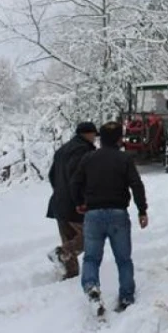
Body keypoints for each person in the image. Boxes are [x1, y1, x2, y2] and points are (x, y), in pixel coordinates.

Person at [71, 121, 148, 312]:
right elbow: (136, 185)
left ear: (101, 139)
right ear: (119, 139)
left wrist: (79, 203)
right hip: (118, 215)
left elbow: (75, 183)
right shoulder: (125, 159)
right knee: (123, 259)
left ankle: (92, 287)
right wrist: (142, 210)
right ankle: (126, 297)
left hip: (93, 215)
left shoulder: (88, 158)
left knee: (91, 259)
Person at [46, 122, 97, 279]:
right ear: (87, 134)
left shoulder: (62, 150)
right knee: (91, 236)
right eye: (94, 135)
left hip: (59, 202)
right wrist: (82, 200)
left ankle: (70, 275)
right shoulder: (84, 151)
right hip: (75, 204)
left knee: (68, 237)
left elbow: (51, 175)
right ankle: (61, 253)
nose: (95, 138)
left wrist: (60, 192)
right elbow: (79, 178)